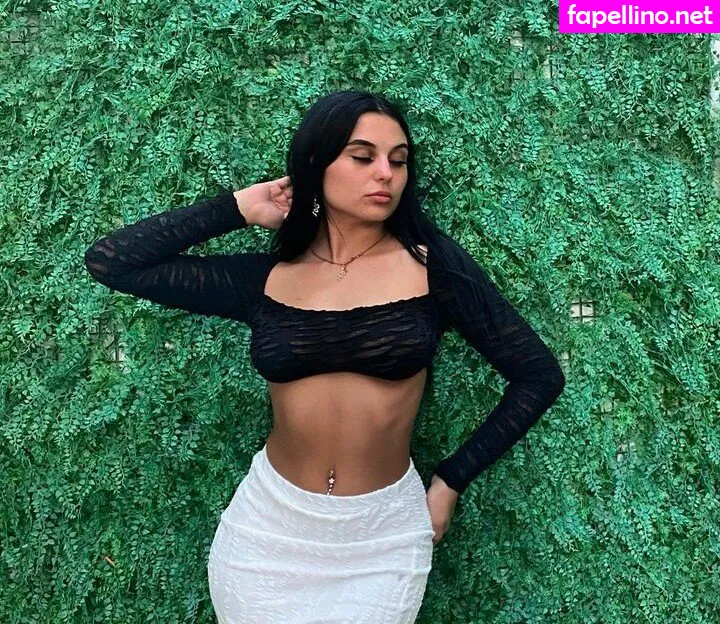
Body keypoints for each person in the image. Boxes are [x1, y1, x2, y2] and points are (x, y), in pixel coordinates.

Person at [84, 89, 566, 623]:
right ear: (316, 164)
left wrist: (451, 479)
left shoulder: (433, 268)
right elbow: (112, 261)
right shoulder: (265, 279)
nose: (385, 173)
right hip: (269, 527)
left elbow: (537, 375)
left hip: (381, 534)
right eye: (362, 157)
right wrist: (240, 208)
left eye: (398, 160)